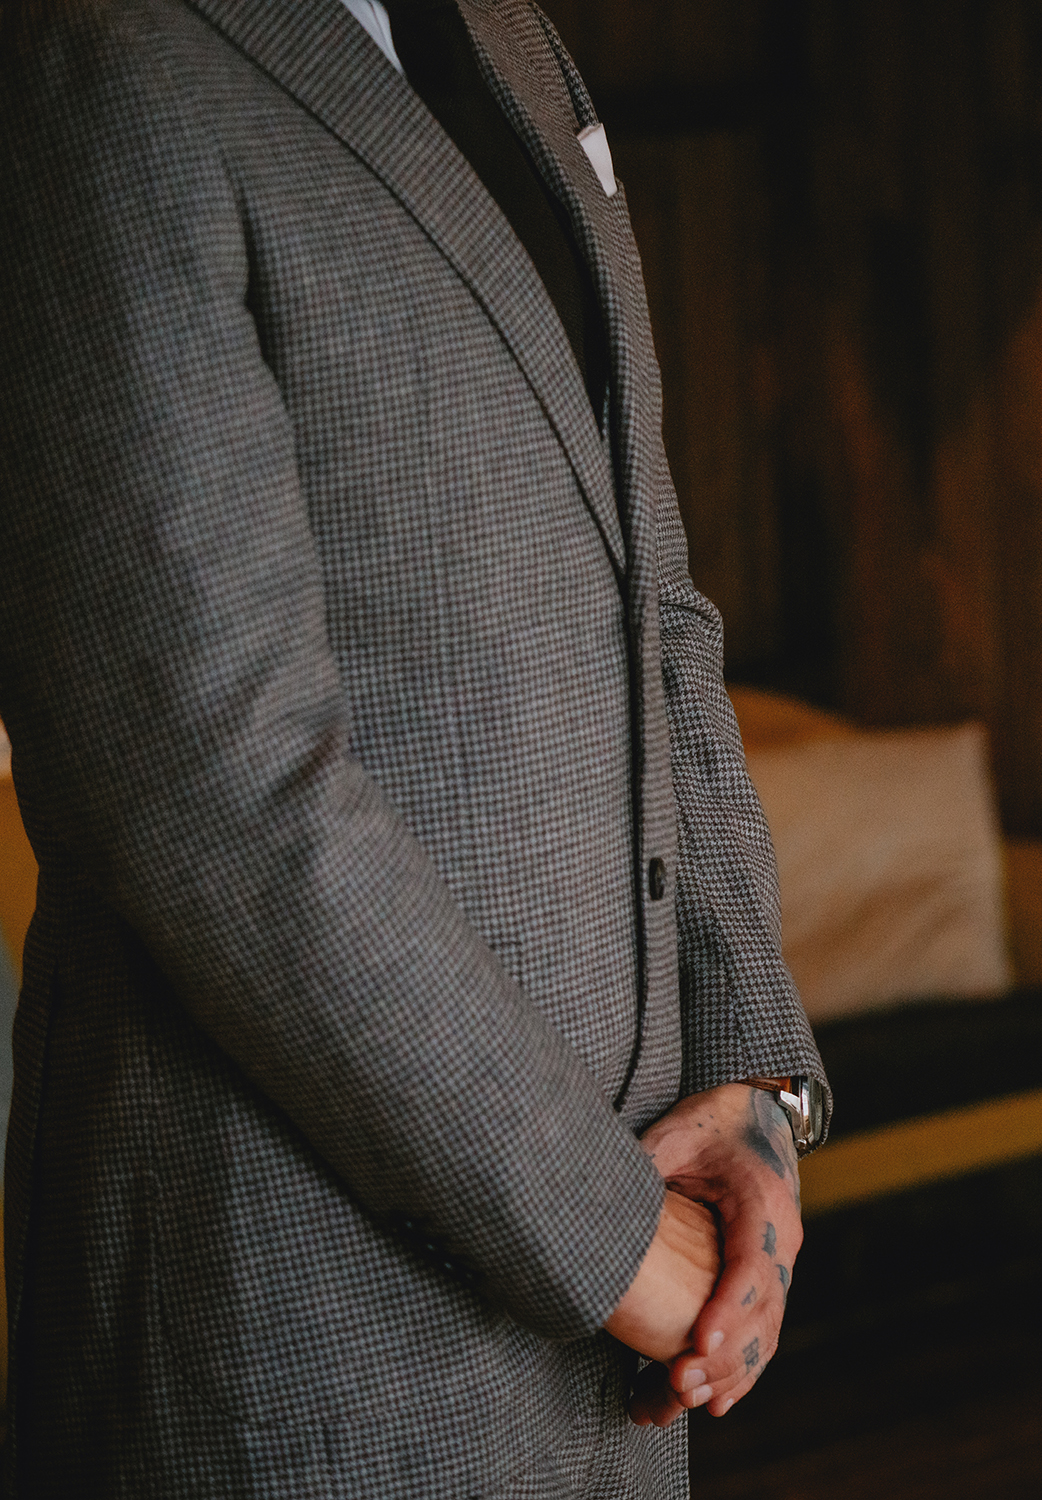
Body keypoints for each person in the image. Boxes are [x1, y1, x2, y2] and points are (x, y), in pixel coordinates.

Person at [0, 0, 828, 1492]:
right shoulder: (90, 44)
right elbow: (203, 774)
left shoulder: (514, 39)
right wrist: (609, 1235)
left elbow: (661, 617)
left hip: (629, 1295)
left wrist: (755, 1087)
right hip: (299, 1304)